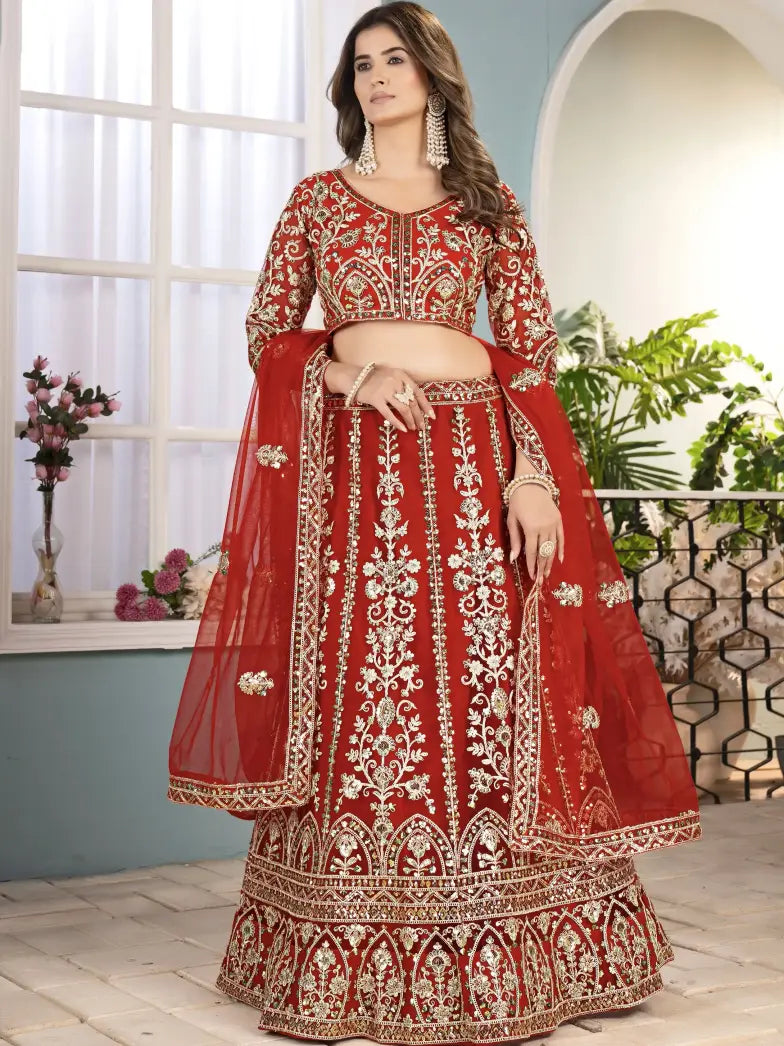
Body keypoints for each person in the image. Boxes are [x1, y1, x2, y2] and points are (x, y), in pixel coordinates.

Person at [167, 3, 701, 1042]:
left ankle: (522, 941)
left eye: (393, 58)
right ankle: (341, 945)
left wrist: (532, 475)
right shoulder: (317, 202)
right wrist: (349, 372)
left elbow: (532, 355)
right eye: (360, 63)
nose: (374, 77)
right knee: (367, 684)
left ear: (430, 75)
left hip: (472, 471)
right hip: (360, 479)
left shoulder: (487, 205)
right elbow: (268, 334)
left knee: (485, 683)